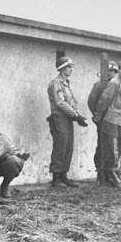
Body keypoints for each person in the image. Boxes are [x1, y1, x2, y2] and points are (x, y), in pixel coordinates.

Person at [47, 56, 88, 188]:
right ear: (62, 68)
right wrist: (76, 116)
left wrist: (77, 114)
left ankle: (64, 176)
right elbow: (60, 103)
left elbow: (71, 101)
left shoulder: (66, 83)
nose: (71, 69)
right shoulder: (56, 83)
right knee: (60, 146)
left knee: (68, 147)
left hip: (68, 118)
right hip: (59, 118)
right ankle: (56, 178)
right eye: (69, 67)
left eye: (71, 67)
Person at [94, 60, 121, 188]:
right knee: (112, 149)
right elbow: (104, 99)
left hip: (119, 121)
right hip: (110, 120)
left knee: (118, 148)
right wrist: (99, 115)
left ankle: (114, 174)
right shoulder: (115, 83)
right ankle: (111, 177)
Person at [87, 61, 119, 182]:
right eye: (109, 71)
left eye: (113, 72)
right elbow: (91, 101)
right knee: (102, 145)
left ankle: (111, 171)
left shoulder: (117, 85)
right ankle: (101, 172)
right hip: (102, 120)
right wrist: (97, 115)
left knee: (113, 147)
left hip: (114, 120)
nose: (111, 74)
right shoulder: (99, 85)